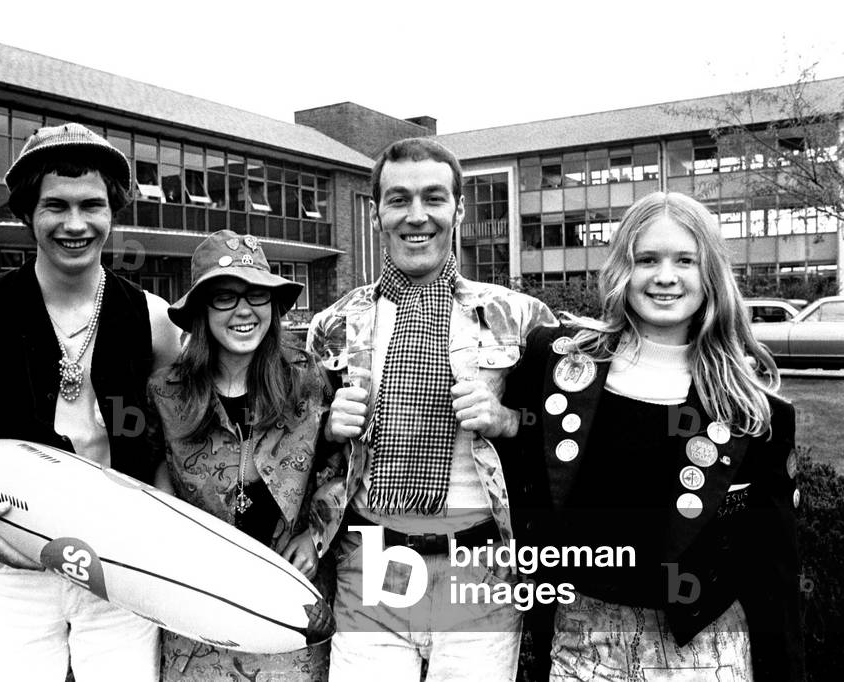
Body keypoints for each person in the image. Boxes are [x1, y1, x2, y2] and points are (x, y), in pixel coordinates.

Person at [0, 123, 181, 681]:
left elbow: (176, 441)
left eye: (91, 205)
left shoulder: (154, 318)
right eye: (55, 206)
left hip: (122, 564)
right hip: (13, 563)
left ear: (113, 211)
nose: (75, 224)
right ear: (28, 212)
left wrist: (161, 528)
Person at [502, 191, 804, 681]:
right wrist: (505, 423)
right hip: (580, 646)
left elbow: (775, 569)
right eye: (647, 259)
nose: (665, 276)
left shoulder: (753, 411)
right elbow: (510, 462)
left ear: (711, 274)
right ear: (623, 269)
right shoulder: (556, 364)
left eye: (685, 260)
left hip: (704, 653)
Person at [307, 137, 556, 681]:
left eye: (434, 198)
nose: (416, 216)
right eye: (398, 199)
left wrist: (509, 421)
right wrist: (326, 430)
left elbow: (568, 436)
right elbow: (300, 453)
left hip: (480, 574)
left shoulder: (522, 318)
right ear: (376, 214)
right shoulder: (331, 327)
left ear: (458, 210)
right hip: (371, 570)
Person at [148, 229, 335, 681]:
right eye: (225, 297)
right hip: (200, 619)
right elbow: (154, 481)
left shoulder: (308, 379)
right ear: (201, 309)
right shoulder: (167, 392)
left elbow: (341, 462)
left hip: (289, 616)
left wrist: (315, 535)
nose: (244, 310)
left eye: (257, 295)